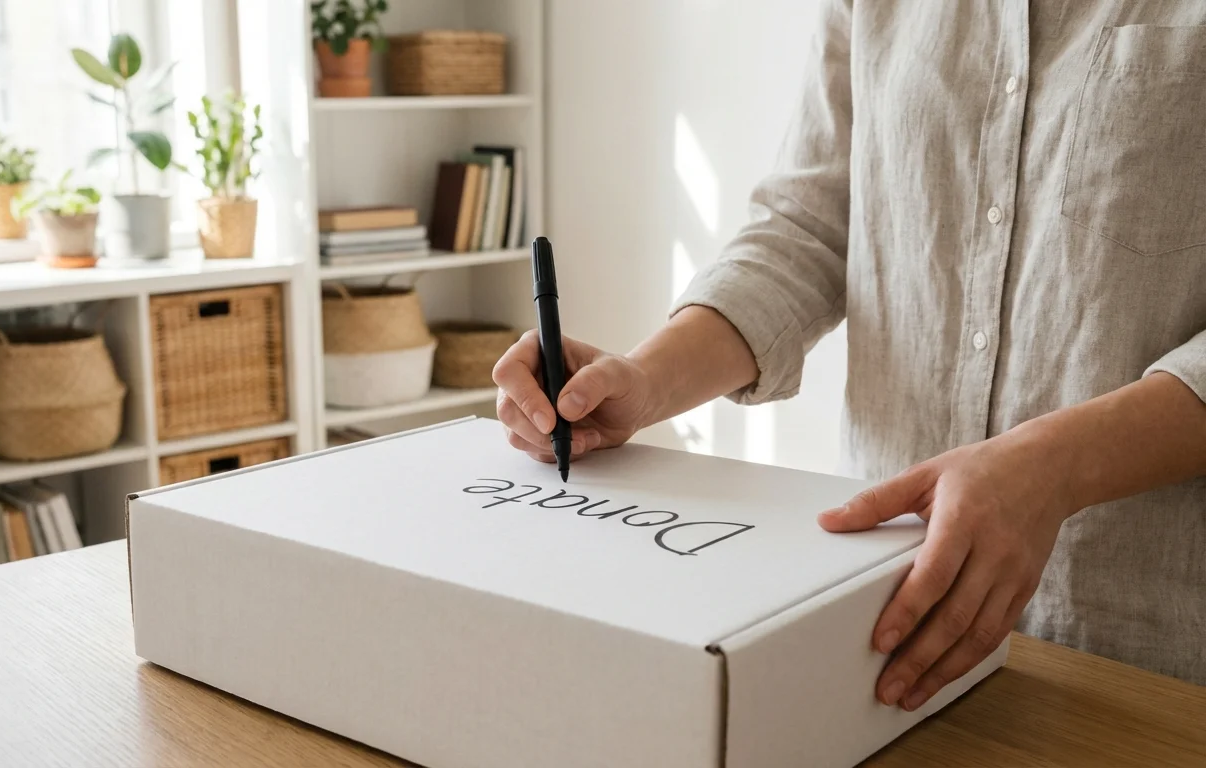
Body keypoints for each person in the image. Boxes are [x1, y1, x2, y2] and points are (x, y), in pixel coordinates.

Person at [493, 1, 1206, 709]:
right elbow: (807, 230)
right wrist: (647, 380)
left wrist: (1055, 467)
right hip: (883, 618)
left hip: (1142, 654)